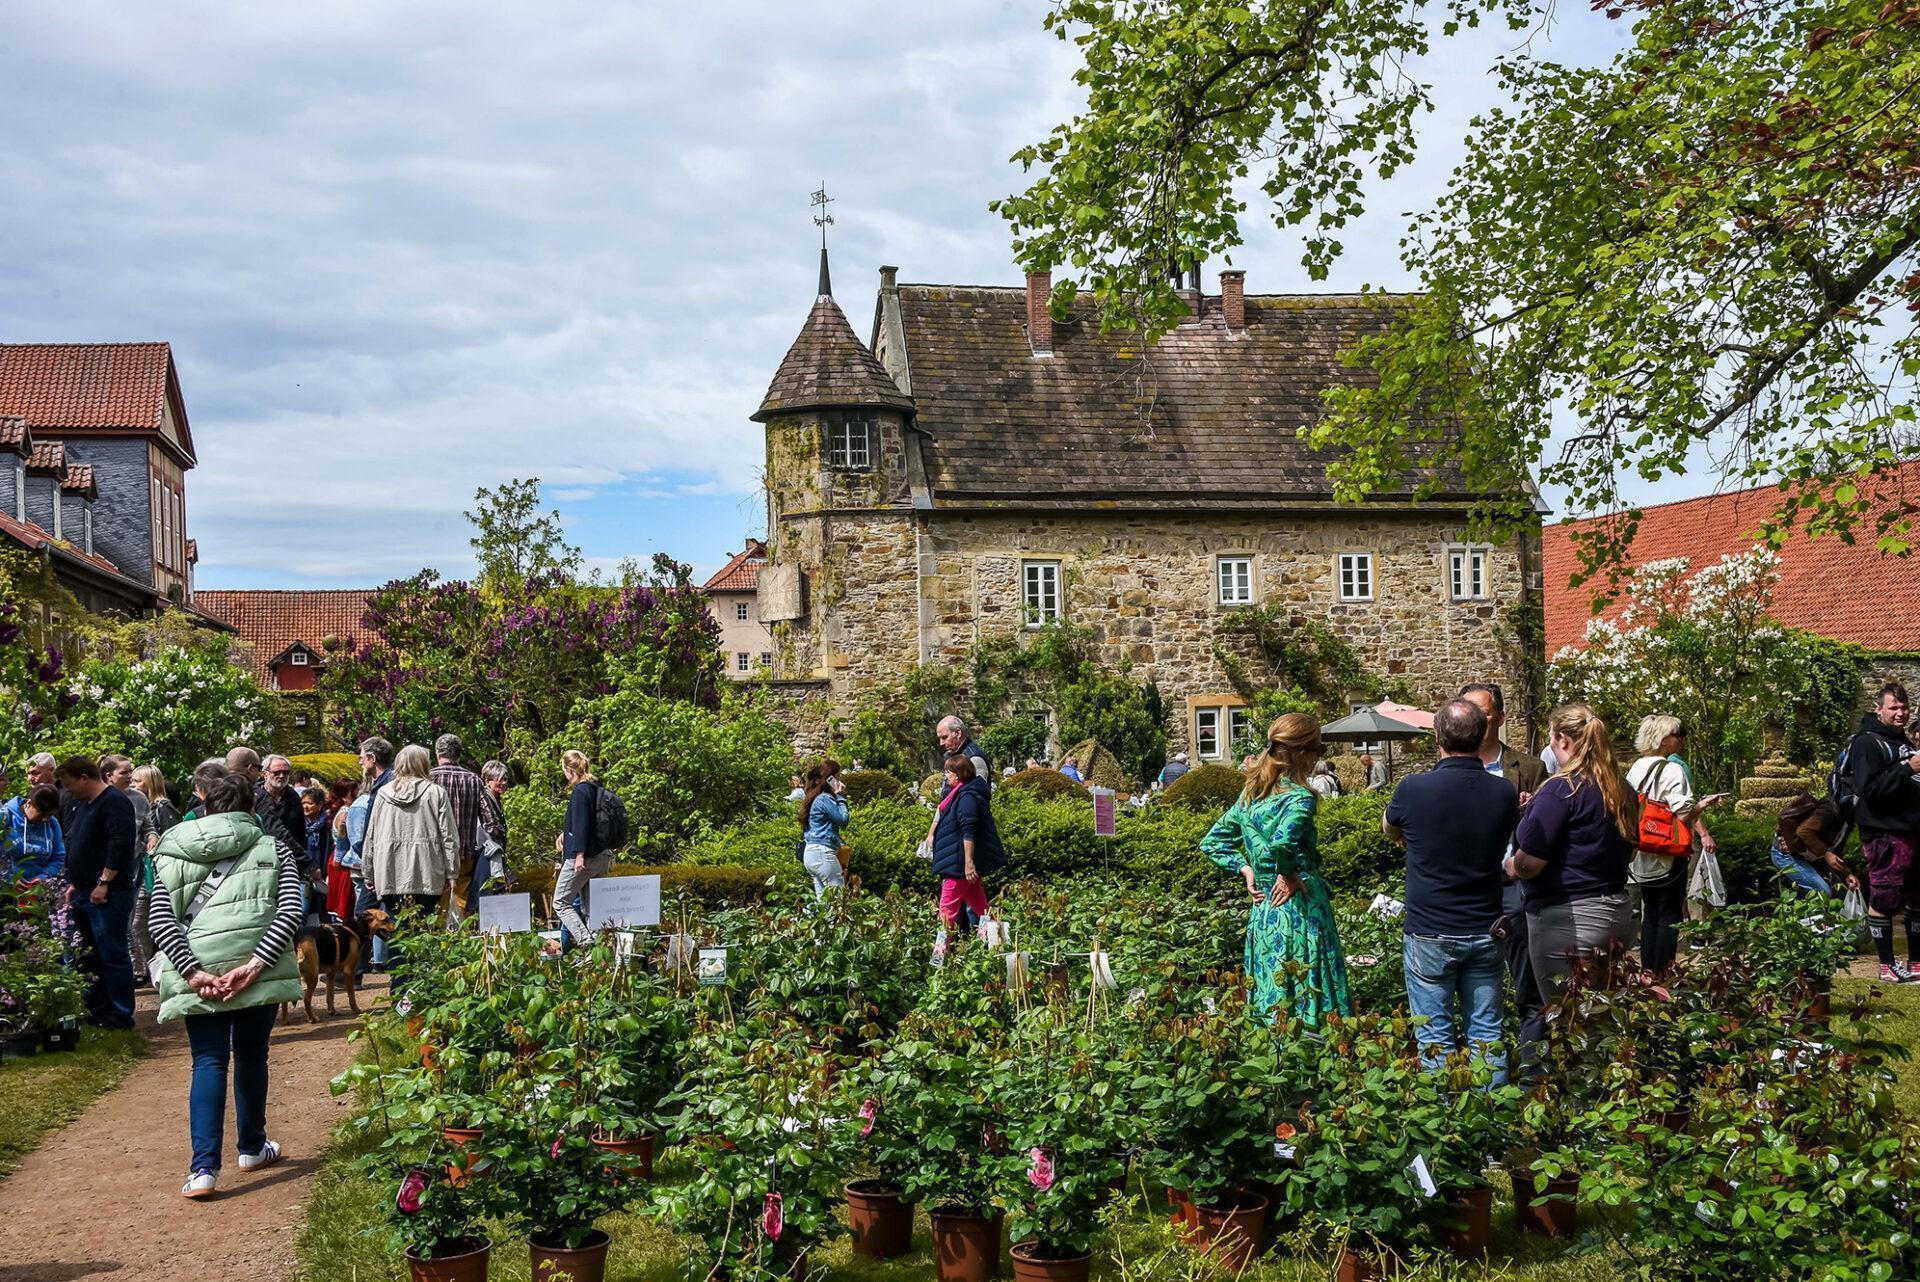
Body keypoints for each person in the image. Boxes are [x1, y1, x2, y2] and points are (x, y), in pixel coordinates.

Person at [147, 764, 302, 1200]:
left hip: (202, 972)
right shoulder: (274, 848)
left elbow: (161, 920)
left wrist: (193, 973)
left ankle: (203, 1170)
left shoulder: (171, 849)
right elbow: (290, 911)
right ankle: (252, 1147)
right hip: (257, 967)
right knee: (252, 1055)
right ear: (251, 807)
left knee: (209, 1061)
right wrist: (253, 966)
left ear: (204, 805)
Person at [1383, 700, 1516, 1084]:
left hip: (1431, 929)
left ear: (1437, 737)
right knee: (1487, 1036)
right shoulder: (1503, 792)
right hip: (1485, 926)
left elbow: (1389, 829)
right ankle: (1491, 1128)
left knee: (1434, 1039)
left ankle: (1442, 1132)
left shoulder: (1413, 788)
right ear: (1481, 736)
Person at [1202, 713, 1352, 1026]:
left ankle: (1275, 1060)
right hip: (1299, 908)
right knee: (1308, 988)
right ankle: (1315, 1062)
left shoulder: (1251, 796)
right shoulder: (1298, 798)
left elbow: (1212, 842)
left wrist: (1245, 868)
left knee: (1272, 988)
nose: (1317, 758)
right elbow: (1284, 843)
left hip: (1265, 910)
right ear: (1302, 754)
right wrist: (1289, 874)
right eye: (1318, 751)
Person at [1508, 704, 1637, 1008]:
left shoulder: (1561, 789)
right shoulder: (1620, 788)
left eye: (1551, 740)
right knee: (1603, 1015)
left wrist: (1511, 865)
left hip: (1567, 917)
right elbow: (1630, 849)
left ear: (1563, 740)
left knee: (1568, 1017)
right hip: (1616, 910)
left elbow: (1531, 862)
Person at [1458, 681, 1549, 1052]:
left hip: (1512, 888)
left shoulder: (1528, 767)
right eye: (1468, 711)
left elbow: (1546, 831)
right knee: (1471, 986)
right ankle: (1477, 1069)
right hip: (1464, 891)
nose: (1474, 719)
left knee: (1528, 985)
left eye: (1482, 711)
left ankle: (1532, 1071)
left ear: (1499, 717)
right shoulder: (1448, 768)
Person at [1626, 716, 1723, 975]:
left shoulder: (1636, 768)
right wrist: (1703, 804)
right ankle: (1663, 974)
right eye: (1678, 734)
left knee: (1650, 914)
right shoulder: (1672, 770)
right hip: (1668, 850)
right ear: (1664, 738)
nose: (1681, 739)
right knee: (1669, 915)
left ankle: (1648, 972)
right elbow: (1683, 814)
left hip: (1642, 849)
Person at [59, 756, 139, 1029]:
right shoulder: (83, 805)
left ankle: (120, 1015)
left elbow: (121, 844)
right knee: (90, 955)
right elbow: (79, 844)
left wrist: (104, 882)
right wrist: (74, 882)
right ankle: (97, 1012)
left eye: (70, 784)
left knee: (112, 954)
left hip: (108, 894)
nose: (68, 790)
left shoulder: (115, 802)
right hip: (84, 891)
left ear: (84, 777)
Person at [1848, 682, 1920, 983]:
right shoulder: (1867, 743)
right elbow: (1869, 790)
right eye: (1894, 708)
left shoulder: (1900, 740)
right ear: (1879, 709)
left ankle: (1915, 963)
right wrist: (1908, 769)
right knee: (1885, 898)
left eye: (1904, 708)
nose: (1900, 713)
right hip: (1884, 833)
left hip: (1911, 830)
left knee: (1917, 898)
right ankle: (1887, 966)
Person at [362, 745, 459, 940]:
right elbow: (448, 836)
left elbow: (371, 835)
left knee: (397, 930)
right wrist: (452, 872)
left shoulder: (383, 793)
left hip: (390, 872)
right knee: (424, 929)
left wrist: (368, 871)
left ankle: (401, 970)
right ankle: (421, 970)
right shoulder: (436, 793)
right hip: (428, 872)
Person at [930, 755, 1004, 933]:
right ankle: (999, 942)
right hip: (961, 864)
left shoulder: (967, 797)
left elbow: (968, 831)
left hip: (959, 865)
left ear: (957, 775)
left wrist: (969, 864)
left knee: (946, 912)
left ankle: (941, 956)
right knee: (982, 910)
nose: (946, 776)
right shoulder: (962, 793)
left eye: (947, 772)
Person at [129, 765, 181, 986]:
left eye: (137, 781)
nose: (132, 785)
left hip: (156, 874)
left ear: (150, 783)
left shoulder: (163, 808)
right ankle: (143, 968)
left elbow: (173, 841)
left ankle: (143, 969)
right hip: (142, 871)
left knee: (141, 921)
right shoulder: (140, 807)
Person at [554, 749, 610, 946]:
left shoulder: (579, 791)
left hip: (583, 858)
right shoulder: (596, 788)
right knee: (591, 907)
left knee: (560, 902)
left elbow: (581, 825)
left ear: (569, 769)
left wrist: (579, 855)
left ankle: (586, 942)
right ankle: (598, 954)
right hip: (602, 856)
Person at [429, 735, 486, 919]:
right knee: (461, 901)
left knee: (435, 903)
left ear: (438, 754)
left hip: (435, 854)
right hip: (465, 853)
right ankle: (460, 939)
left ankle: (437, 940)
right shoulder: (474, 780)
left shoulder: (429, 778)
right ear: (459, 754)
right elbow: (489, 820)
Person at [1771, 792, 1858, 898]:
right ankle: (1807, 914)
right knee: (1822, 892)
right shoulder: (1831, 809)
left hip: (1812, 856)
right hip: (1788, 855)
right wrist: (1826, 853)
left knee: (1841, 894)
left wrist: (1847, 874)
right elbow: (1803, 831)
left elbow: (1836, 852)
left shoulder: (1848, 820)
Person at [797, 758, 850, 897]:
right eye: (838, 777)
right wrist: (841, 796)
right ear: (830, 779)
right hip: (822, 853)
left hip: (811, 854)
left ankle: (800, 918)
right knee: (838, 899)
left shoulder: (814, 797)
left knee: (823, 903)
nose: (840, 780)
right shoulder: (824, 798)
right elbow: (843, 820)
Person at [1, 784, 65, 883]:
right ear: (29, 803)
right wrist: (9, 877)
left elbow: (58, 856)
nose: (45, 819)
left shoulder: (52, 823)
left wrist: (44, 876)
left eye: (50, 814)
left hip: (38, 888)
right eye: (42, 814)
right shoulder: (5, 817)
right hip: (6, 887)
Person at [478, 759, 511, 894]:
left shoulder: (495, 798)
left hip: (496, 852)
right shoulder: (485, 798)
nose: (503, 783)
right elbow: (492, 829)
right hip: (489, 853)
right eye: (499, 779)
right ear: (487, 780)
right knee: (492, 889)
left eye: (505, 779)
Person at [935, 716, 991, 785]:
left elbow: (977, 791)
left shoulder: (974, 758)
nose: (941, 743)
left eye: (944, 737)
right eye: (940, 738)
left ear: (958, 733)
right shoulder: (950, 755)